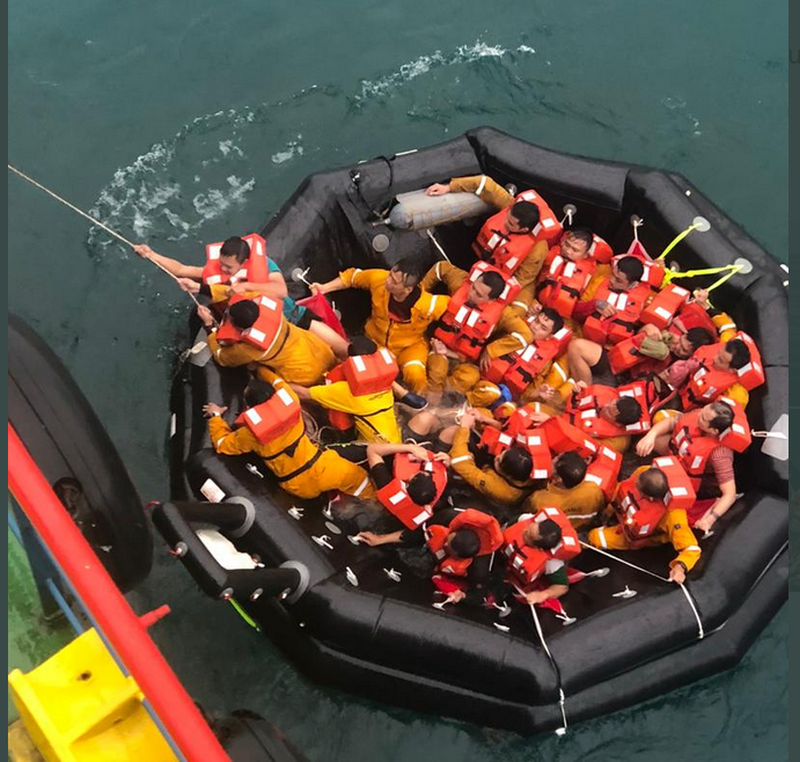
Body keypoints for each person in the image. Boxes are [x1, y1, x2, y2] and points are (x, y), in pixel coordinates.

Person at [134, 236, 349, 357]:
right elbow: (182, 269)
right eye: (222, 264)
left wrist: (245, 286)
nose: (224, 269)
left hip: (292, 317)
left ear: (244, 263)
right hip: (262, 336)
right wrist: (151, 254)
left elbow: (281, 290)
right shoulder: (217, 272)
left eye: (229, 267)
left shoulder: (264, 265)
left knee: (340, 347)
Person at [203, 373, 373, 500]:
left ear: (249, 405)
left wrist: (216, 417)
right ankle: (373, 504)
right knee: (361, 480)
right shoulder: (292, 401)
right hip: (323, 468)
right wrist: (262, 369)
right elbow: (279, 383)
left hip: (297, 486)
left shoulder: (251, 434)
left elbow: (222, 443)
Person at [310, 256, 448, 393]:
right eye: (390, 275)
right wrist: (324, 288)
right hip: (376, 342)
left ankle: (425, 406)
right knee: (371, 374)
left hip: (410, 347)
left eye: (394, 281)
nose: (388, 281)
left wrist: (447, 346)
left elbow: (455, 309)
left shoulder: (430, 305)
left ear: (408, 289)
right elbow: (352, 277)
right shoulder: (379, 279)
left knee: (415, 374)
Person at [425, 175, 560, 301]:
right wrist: (449, 187)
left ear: (524, 229)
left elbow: (521, 280)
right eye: (507, 217)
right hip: (476, 254)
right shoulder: (511, 206)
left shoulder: (537, 250)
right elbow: (485, 184)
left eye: (511, 224)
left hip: (493, 280)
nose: (505, 223)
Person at [421, 260, 532, 407]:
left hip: (464, 359)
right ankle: (426, 405)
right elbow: (441, 267)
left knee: (469, 378)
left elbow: (526, 335)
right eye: (473, 288)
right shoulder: (461, 283)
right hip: (439, 346)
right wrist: (421, 293)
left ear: (491, 299)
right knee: (437, 371)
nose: (471, 294)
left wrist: (491, 350)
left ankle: (442, 404)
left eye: (478, 295)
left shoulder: (503, 313)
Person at [357, 507, 503, 606]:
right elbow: (416, 535)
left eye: (448, 549)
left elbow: (480, 592)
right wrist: (380, 539)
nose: (443, 546)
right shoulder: (448, 518)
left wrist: (462, 596)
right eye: (446, 542)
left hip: (464, 570)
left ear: (461, 558)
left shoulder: (480, 567)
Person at [636, 401, 743, 534]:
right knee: (654, 430)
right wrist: (650, 436)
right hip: (678, 454)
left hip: (692, 479)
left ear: (713, 431)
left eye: (703, 418)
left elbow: (730, 494)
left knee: (658, 494)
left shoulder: (720, 454)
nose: (699, 416)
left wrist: (709, 520)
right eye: (703, 410)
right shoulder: (699, 414)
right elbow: (672, 422)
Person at [588, 463, 701, 584]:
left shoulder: (673, 516)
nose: (635, 486)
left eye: (638, 488)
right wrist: (609, 509)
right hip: (624, 509)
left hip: (639, 534)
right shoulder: (644, 472)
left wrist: (680, 568)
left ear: (650, 498)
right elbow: (623, 486)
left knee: (595, 537)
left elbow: (692, 549)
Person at [199, 298, 336, 387]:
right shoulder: (276, 315)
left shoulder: (251, 348)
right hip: (323, 353)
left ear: (240, 328)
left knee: (255, 367)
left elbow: (222, 358)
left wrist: (209, 326)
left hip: (304, 374)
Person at [291, 336, 403, 444]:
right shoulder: (385, 382)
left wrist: (277, 382)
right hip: (396, 441)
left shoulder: (347, 391)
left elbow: (303, 393)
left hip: (375, 449)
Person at [446, 410, 536, 508]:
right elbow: (507, 431)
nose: (497, 456)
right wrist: (484, 419)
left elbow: (460, 462)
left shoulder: (499, 489)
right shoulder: (527, 461)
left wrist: (464, 428)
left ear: (506, 475)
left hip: (482, 495)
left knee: (452, 434)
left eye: (498, 460)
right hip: (489, 464)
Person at [480, 306, 570, 404]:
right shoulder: (515, 329)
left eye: (543, 328)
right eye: (536, 321)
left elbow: (524, 398)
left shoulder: (545, 362)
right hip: (480, 376)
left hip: (504, 400)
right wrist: (487, 350)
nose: (535, 327)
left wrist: (537, 393)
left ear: (549, 336)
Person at [366, 442, 450, 529]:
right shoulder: (433, 505)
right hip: (395, 524)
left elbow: (372, 449)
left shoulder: (387, 485)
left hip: (379, 513)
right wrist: (447, 464)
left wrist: (410, 448)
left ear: (406, 485)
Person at [573, 255, 653, 345]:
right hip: (584, 340)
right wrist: (594, 304)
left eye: (618, 280)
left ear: (633, 285)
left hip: (616, 350)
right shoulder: (599, 282)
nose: (611, 280)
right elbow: (574, 311)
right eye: (612, 274)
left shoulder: (647, 299)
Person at [501, 511, 574, 605]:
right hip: (502, 554)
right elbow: (504, 529)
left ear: (538, 548)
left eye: (529, 536)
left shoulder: (552, 563)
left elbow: (562, 586)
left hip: (517, 578)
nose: (524, 531)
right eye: (530, 527)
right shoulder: (524, 518)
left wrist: (542, 595)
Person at [522, 451, 607, 529]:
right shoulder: (594, 490)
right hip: (579, 527)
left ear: (559, 479)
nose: (552, 460)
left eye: (554, 461)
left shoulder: (539, 501)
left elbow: (526, 514)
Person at [536, 228, 598, 318]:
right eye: (567, 245)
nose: (568, 251)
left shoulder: (591, 275)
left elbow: (582, 304)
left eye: (575, 250)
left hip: (563, 318)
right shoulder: (549, 253)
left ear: (585, 255)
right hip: (536, 305)